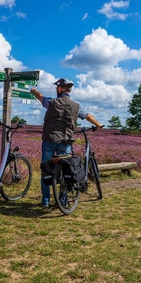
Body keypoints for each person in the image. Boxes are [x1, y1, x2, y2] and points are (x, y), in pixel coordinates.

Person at [30, 78, 103, 207]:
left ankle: (46, 201)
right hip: (66, 141)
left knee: (46, 170)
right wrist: (98, 124)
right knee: (67, 169)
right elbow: (88, 116)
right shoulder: (76, 106)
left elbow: (40, 97)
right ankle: (63, 200)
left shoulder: (51, 102)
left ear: (60, 88)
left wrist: (34, 91)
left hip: (49, 140)